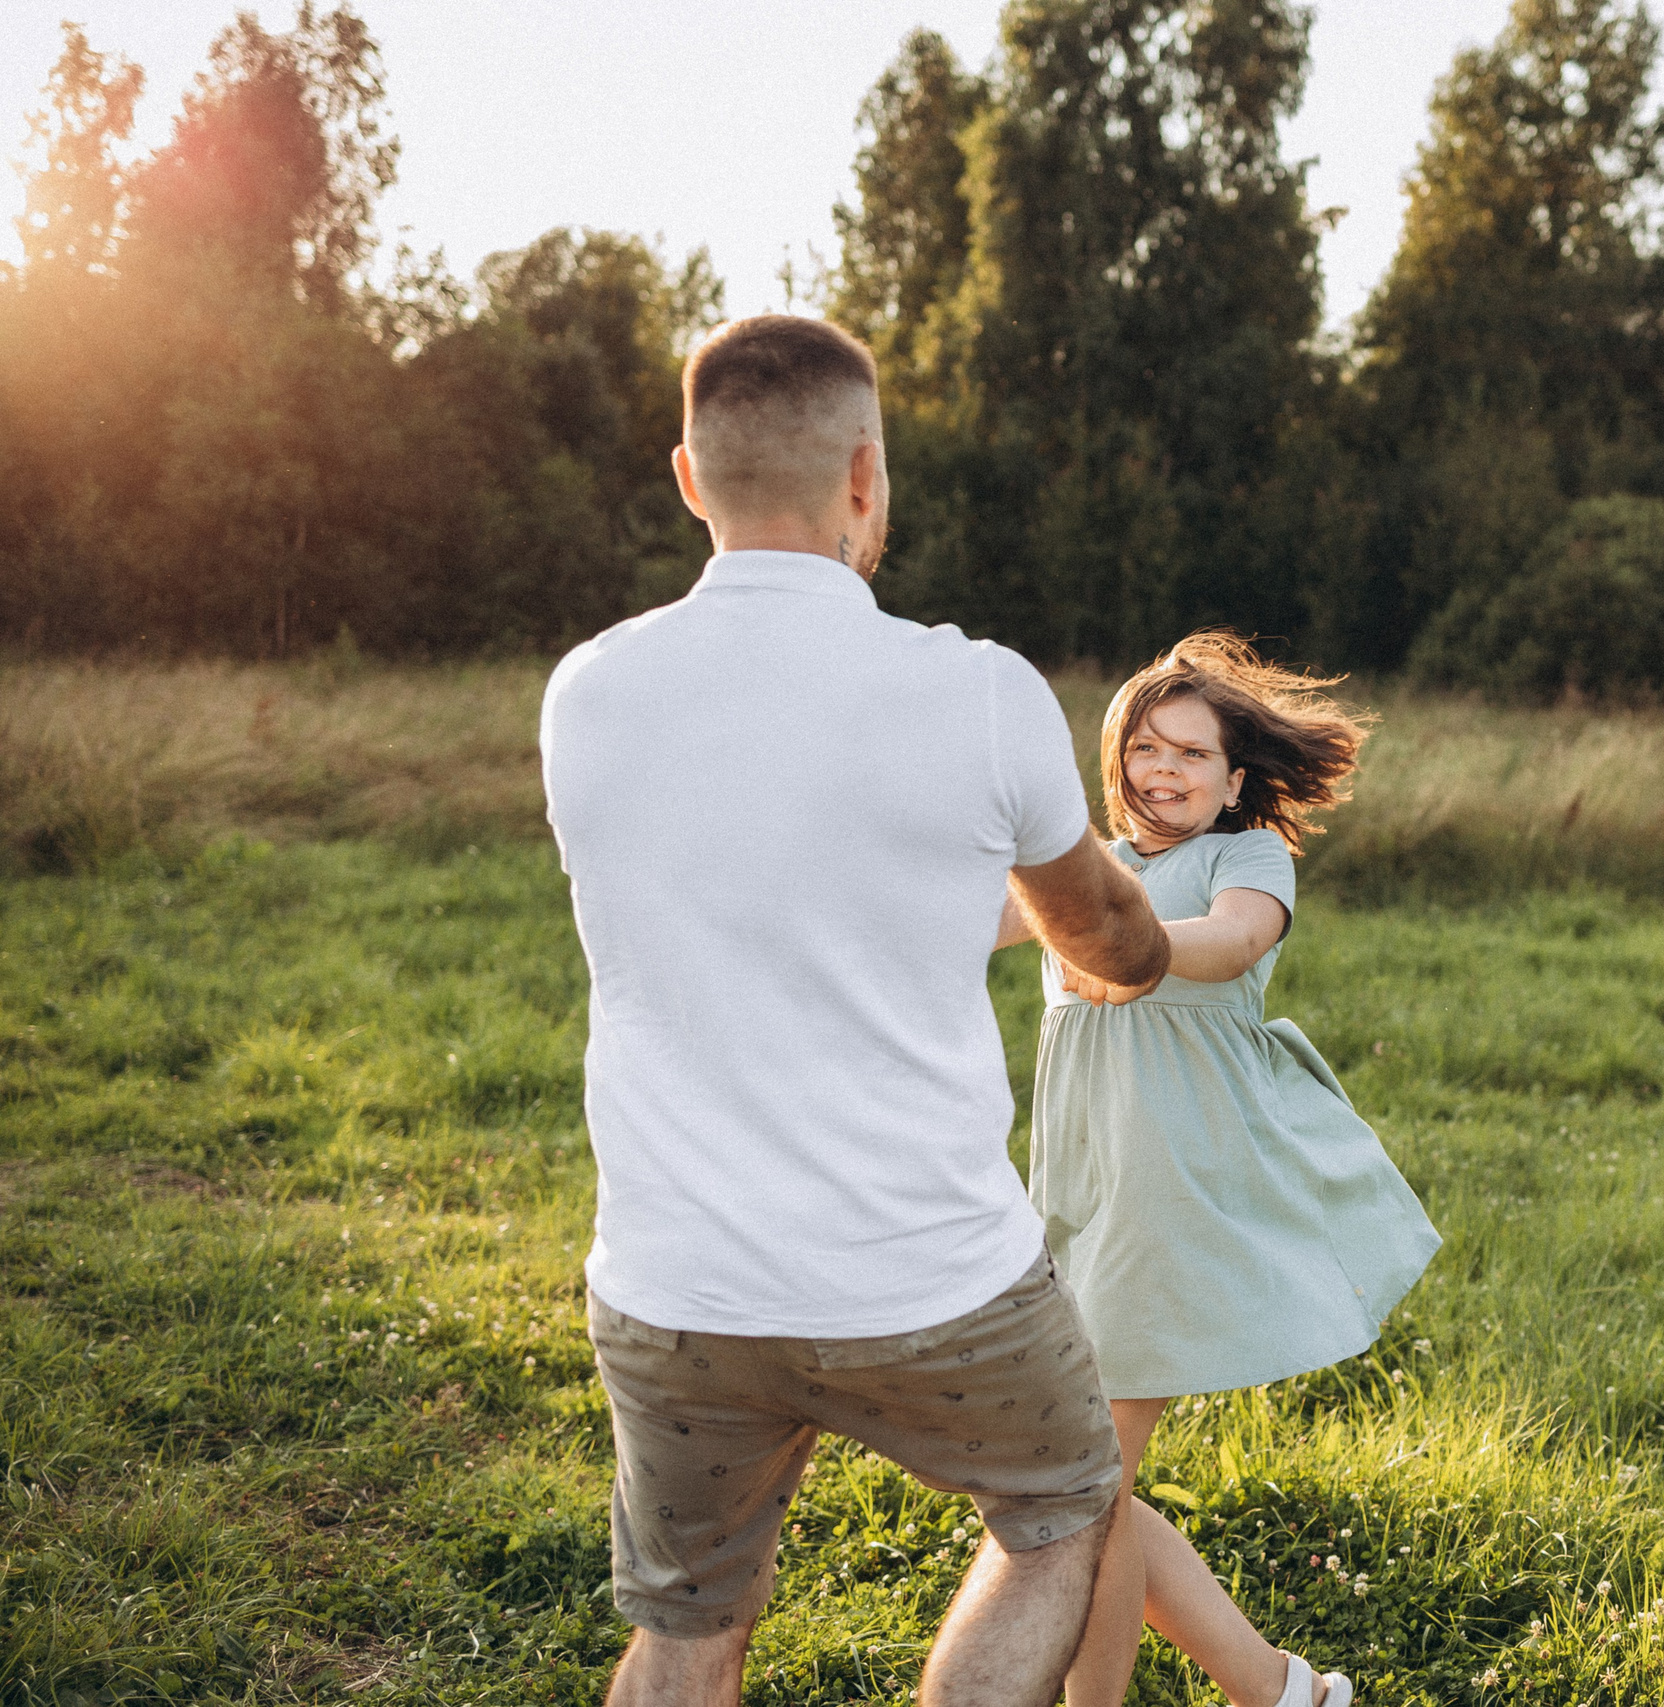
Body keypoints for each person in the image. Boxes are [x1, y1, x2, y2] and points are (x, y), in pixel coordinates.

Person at [540, 314, 1172, 1707]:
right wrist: (1136, 916)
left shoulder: (585, 693)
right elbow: (1114, 942)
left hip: (677, 1283)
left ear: (690, 479)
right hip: (931, 1282)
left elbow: (771, 891)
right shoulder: (981, 691)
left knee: (689, 1621)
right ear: (867, 477)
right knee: (1069, 1505)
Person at [998, 634, 1443, 1707]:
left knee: (1082, 1484)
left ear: (1234, 778)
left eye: (1190, 755)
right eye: (1145, 748)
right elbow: (962, 923)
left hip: (1175, 1193)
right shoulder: (1087, 868)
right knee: (1089, 1491)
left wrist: (1121, 944)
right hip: (1082, 1195)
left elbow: (1230, 943)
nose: (1163, 771)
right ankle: (1282, 1691)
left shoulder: (1245, 859)